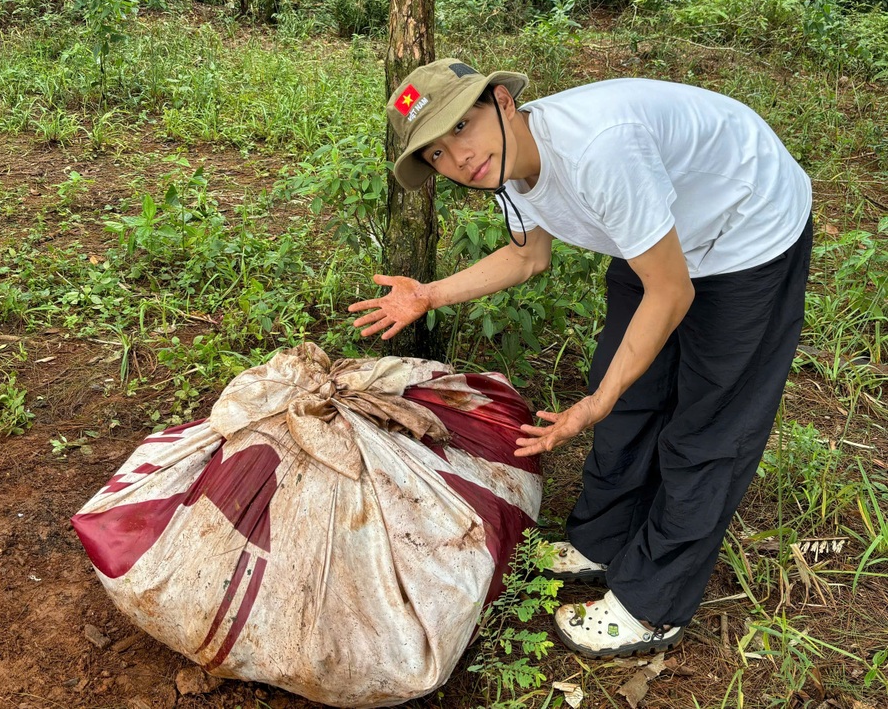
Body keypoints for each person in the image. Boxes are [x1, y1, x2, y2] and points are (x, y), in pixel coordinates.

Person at [348, 58, 812, 659]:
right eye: (436, 153)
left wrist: (595, 403)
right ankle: (603, 539)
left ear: (503, 103)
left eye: (461, 126)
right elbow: (525, 257)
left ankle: (653, 604)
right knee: (628, 394)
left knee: (708, 426)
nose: (458, 159)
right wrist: (428, 294)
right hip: (655, 232)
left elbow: (672, 291)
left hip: (747, 228)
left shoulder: (597, 151)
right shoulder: (508, 168)